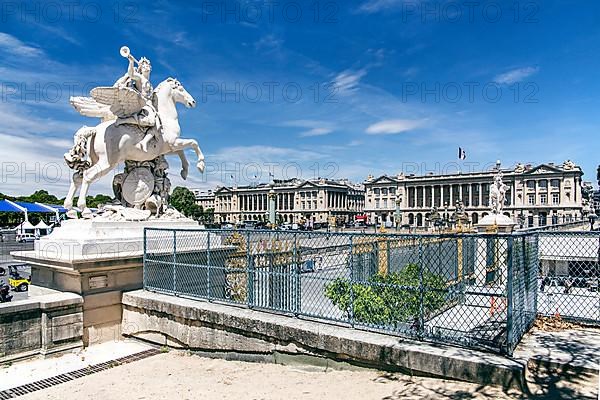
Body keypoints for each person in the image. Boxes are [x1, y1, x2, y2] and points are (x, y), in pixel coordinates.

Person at [114, 55, 160, 152]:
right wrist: (131, 62)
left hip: (151, 107)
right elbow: (131, 74)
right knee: (151, 120)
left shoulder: (150, 83)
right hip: (144, 105)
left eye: (147, 65)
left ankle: (145, 141)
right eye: (143, 66)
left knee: (159, 125)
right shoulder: (140, 78)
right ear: (141, 69)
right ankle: (123, 121)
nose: (146, 67)